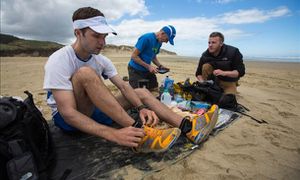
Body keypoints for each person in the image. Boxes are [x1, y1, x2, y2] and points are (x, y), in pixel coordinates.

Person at [43, 7, 218, 153]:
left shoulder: (100, 60)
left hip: (93, 111)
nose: (102, 42)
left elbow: (123, 86)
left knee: (141, 92)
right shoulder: (60, 59)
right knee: (85, 74)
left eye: (105, 37)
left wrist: (140, 108)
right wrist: (114, 134)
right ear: (78, 33)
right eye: (96, 36)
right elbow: (68, 113)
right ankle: (143, 135)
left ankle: (189, 127)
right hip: (69, 120)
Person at [127, 25, 176, 90]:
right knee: (138, 92)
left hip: (146, 69)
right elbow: (134, 56)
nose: (166, 42)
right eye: (167, 39)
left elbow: (153, 57)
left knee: (154, 88)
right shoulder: (146, 38)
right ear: (162, 33)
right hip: (135, 69)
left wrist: (160, 66)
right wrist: (149, 66)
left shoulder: (159, 43)